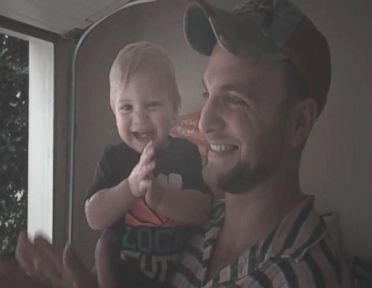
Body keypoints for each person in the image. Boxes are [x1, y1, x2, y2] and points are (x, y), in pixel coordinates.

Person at [15, 0, 351, 287]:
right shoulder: (205, 221)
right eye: (208, 93)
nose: (204, 121)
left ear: (299, 122)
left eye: (235, 99)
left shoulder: (297, 274)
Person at [84, 41, 211, 288]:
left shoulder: (186, 152)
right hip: (121, 279)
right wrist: (129, 187)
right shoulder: (115, 158)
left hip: (180, 278)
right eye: (126, 107)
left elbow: (203, 209)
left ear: (174, 109)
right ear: (114, 111)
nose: (139, 118)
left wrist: (163, 199)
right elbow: (94, 217)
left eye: (152, 104)